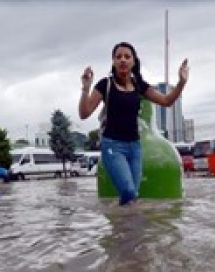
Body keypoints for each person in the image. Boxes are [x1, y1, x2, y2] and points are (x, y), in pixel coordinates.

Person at [79, 42, 189, 205]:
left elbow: (166, 101)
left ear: (134, 61)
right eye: (118, 57)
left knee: (132, 197)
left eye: (127, 56)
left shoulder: (139, 85)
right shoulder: (105, 84)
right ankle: (126, 227)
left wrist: (181, 82)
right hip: (112, 146)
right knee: (128, 191)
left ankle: (125, 229)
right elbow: (84, 113)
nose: (123, 60)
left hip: (135, 147)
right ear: (113, 61)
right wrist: (85, 89)